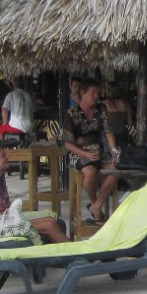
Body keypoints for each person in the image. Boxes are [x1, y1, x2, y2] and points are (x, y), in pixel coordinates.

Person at [0, 144, 69, 242]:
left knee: (50, 220)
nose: (7, 157)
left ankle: (67, 252)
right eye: (3, 156)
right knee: (49, 225)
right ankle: (76, 251)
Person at [61, 78, 118, 224]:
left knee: (116, 168)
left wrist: (113, 151)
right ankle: (95, 204)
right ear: (82, 93)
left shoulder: (101, 109)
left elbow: (108, 131)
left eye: (98, 93)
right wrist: (84, 154)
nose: (96, 96)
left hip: (99, 151)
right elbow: (66, 142)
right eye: (93, 92)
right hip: (78, 153)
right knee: (90, 172)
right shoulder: (72, 112)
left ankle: (96, 205)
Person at [102, 82, 134, 148]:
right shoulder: (125, 103)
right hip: (123, 134)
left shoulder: (104, 104)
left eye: (107, 89)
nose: (105, 91)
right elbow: (130, 122)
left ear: (109, 91)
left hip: (111, 136)